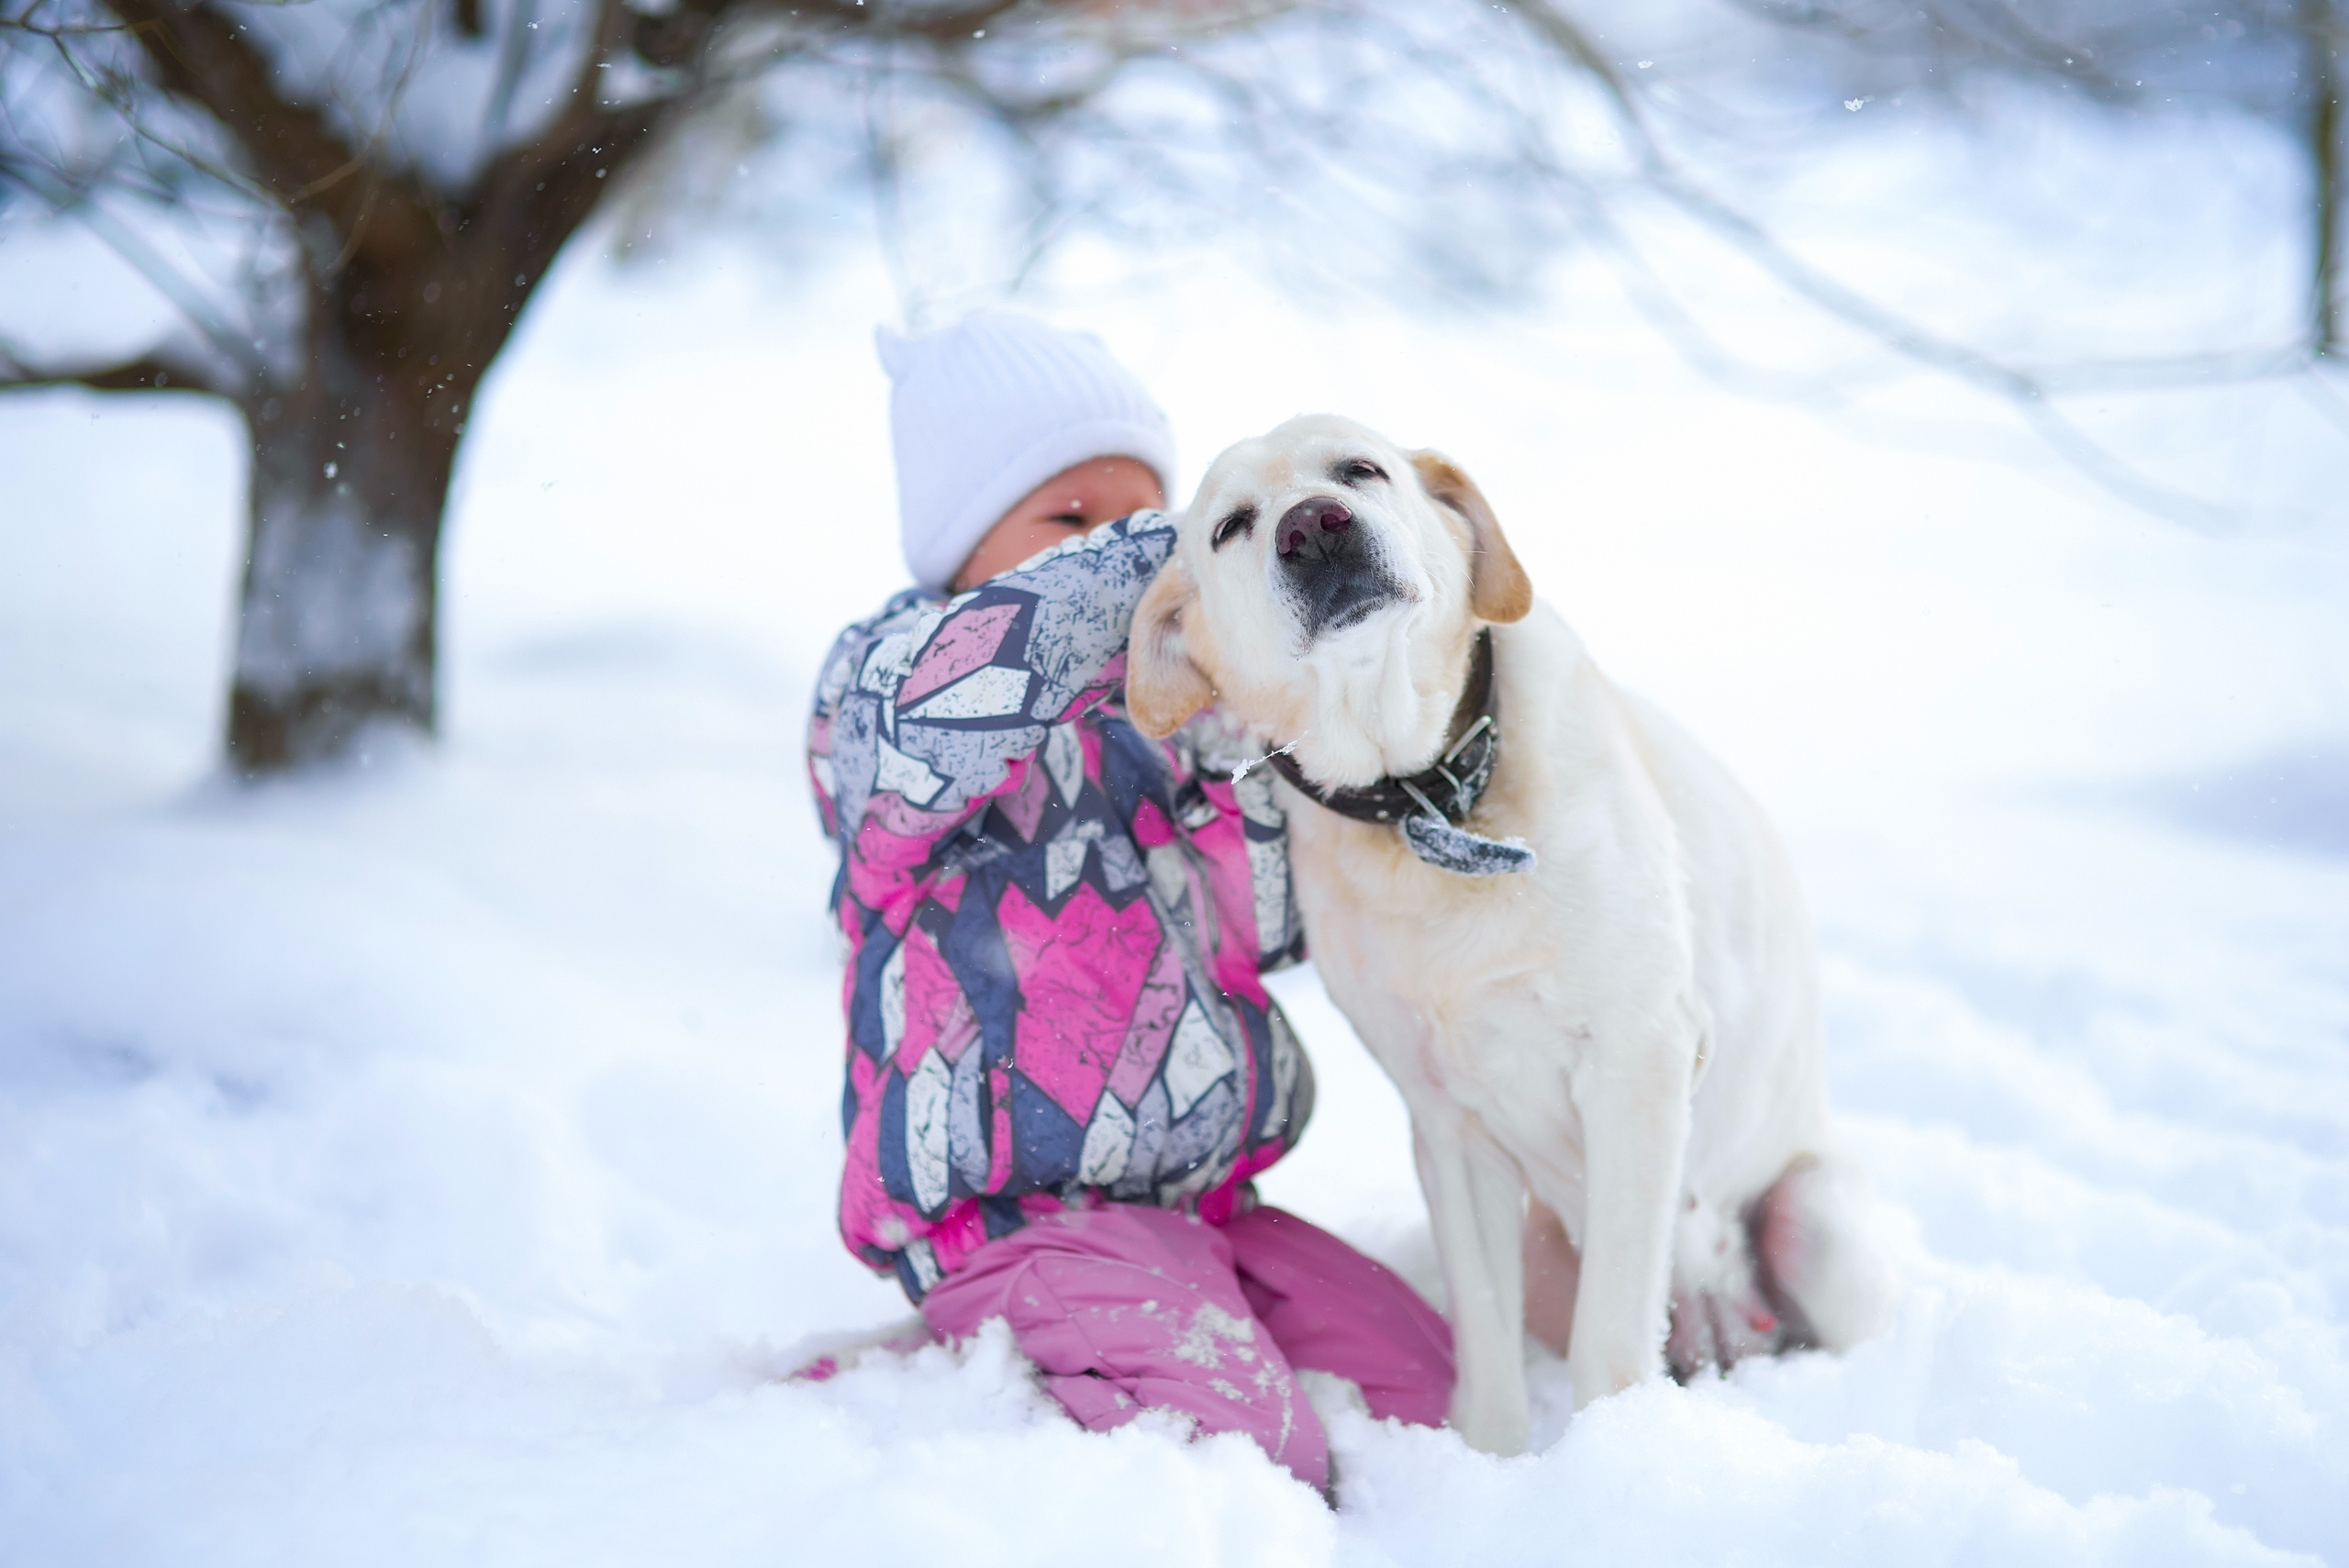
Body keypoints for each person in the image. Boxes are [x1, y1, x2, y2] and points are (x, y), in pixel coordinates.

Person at [804, 311, 1454, 1493]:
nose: (1120, 548)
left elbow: (1273, 920)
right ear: (957, 550)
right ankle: (956, 1406)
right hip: (1013, 1225)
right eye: (1070, 518)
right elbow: (934, 724)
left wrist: (1292, 748)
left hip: (1208, 1209)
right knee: (1250, 1451)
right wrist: (1159, 556)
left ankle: (1115, 1348)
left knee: (1432, 1394)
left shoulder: (1183, 707)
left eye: (1143, 512)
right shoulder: (886, 687)